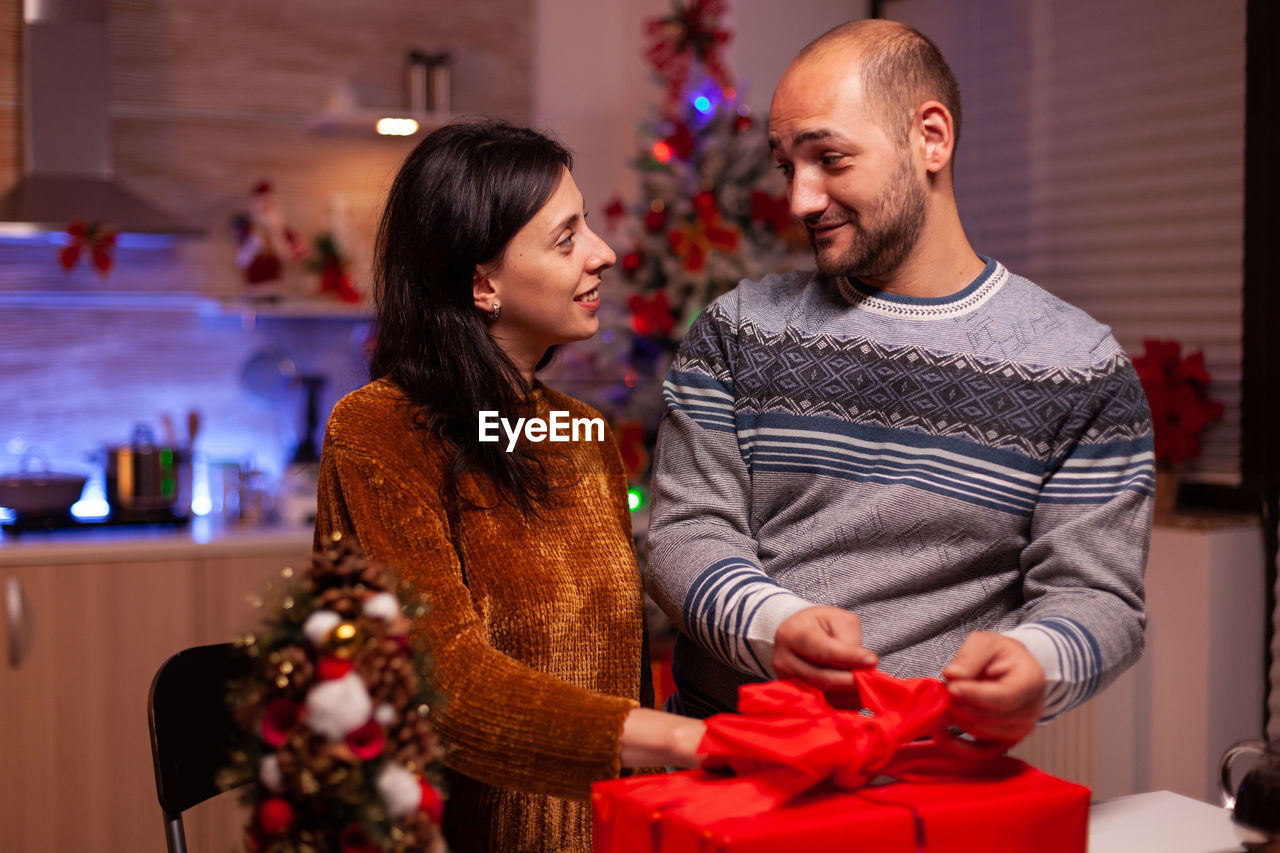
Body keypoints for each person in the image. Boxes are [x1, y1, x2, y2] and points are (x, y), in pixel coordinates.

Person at [645, 19, 1153, 746]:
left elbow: (1095, 595)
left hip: (925, 777)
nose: (801, 200)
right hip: (728, 758)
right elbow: (687, 531)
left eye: (830, 158)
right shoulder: (738, 331)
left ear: (931, 139)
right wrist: (772, 626)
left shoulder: (1079, 368)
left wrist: (1035, 660)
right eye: (788, 166)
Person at [314, 120, 705, 853]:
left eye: (586, 223)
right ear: (482, 282)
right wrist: (686, 741)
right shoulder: (377, 433)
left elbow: (619, 669)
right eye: (566, 238)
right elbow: (443, 683)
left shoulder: (583, 436)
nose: (605, 253)